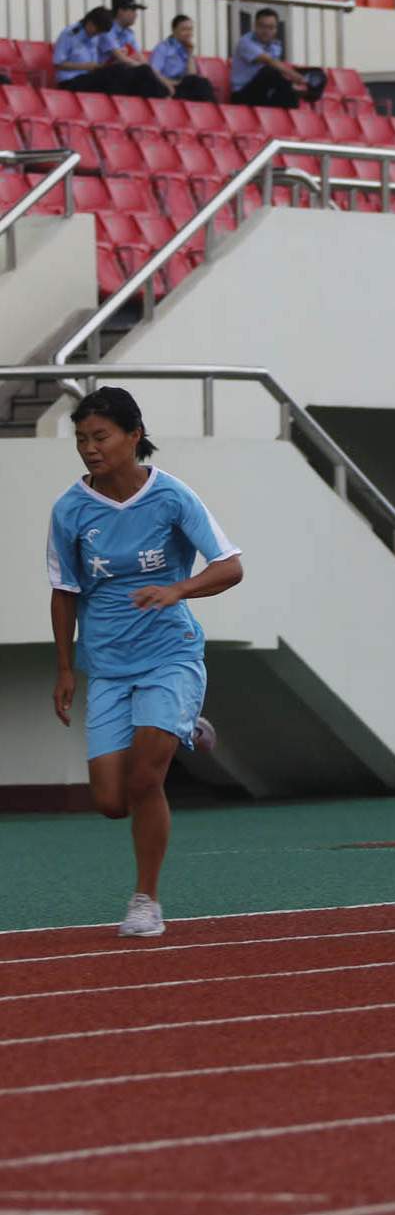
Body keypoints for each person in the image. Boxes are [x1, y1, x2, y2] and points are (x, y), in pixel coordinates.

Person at [47, 387, 244, 938]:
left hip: (169, 655)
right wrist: (65, 668)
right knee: (111, 801)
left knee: (144, 779)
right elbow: (63, 592)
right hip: (108, 665)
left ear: (134, 436)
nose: (90, 448)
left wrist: (177, 589)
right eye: (82, 439)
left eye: (101, 436)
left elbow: (229, 567)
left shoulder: (172, 498)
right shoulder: (70, 510)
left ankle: (145, 899)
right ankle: (191, 726)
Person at [53, 6, 159, 96]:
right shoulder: (70, 34)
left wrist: (111, 61)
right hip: (71, 81)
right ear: (90, 23)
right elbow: (58, 63)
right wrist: (85, 66)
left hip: (89, 76)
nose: (97, 35)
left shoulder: (95, 35)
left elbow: (96, 65)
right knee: (116, 74)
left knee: (129, 72)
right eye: (97, 31)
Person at [230, 8, 325, 108]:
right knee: (271, 72)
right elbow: (269, 61)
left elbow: (278, 69)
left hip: (266, 92)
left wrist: (297, 76)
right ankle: (295, 92)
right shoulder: (246, 42)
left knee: (317, 72)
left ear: (276, 29)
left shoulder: (275, 45)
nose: (266, 31)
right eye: (262, 26)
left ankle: (305, 95)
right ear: (255, 26)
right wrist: (293, 75)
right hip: (243, 95)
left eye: (271, 27)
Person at [148, 14, 217, 102]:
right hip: (167, 86)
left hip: (182, 86)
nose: (188, 33)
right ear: (174, 30)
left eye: (190, 30)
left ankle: (213, 110)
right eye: (184, 29)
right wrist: (170, 83)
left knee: (202, 83)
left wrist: (189, 54)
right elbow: (154, 72)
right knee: (201, 85)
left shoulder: (186, 49)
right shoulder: (163, 47)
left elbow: (191, 75)